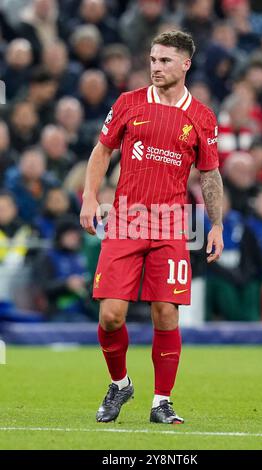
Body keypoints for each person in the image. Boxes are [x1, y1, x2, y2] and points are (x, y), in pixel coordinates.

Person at [80, 31, 224, 424]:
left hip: (172, 224)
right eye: (153, 59)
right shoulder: (128, 103)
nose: (156, 67)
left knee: (166, 314)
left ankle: (161, 401)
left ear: (185, 64)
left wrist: (216, 224)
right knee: (110, 315)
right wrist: (90, 197)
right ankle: (120, 384)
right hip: (127, 219)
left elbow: (210, 175)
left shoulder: (202, 117)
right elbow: (102, 151)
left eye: (164, 61)